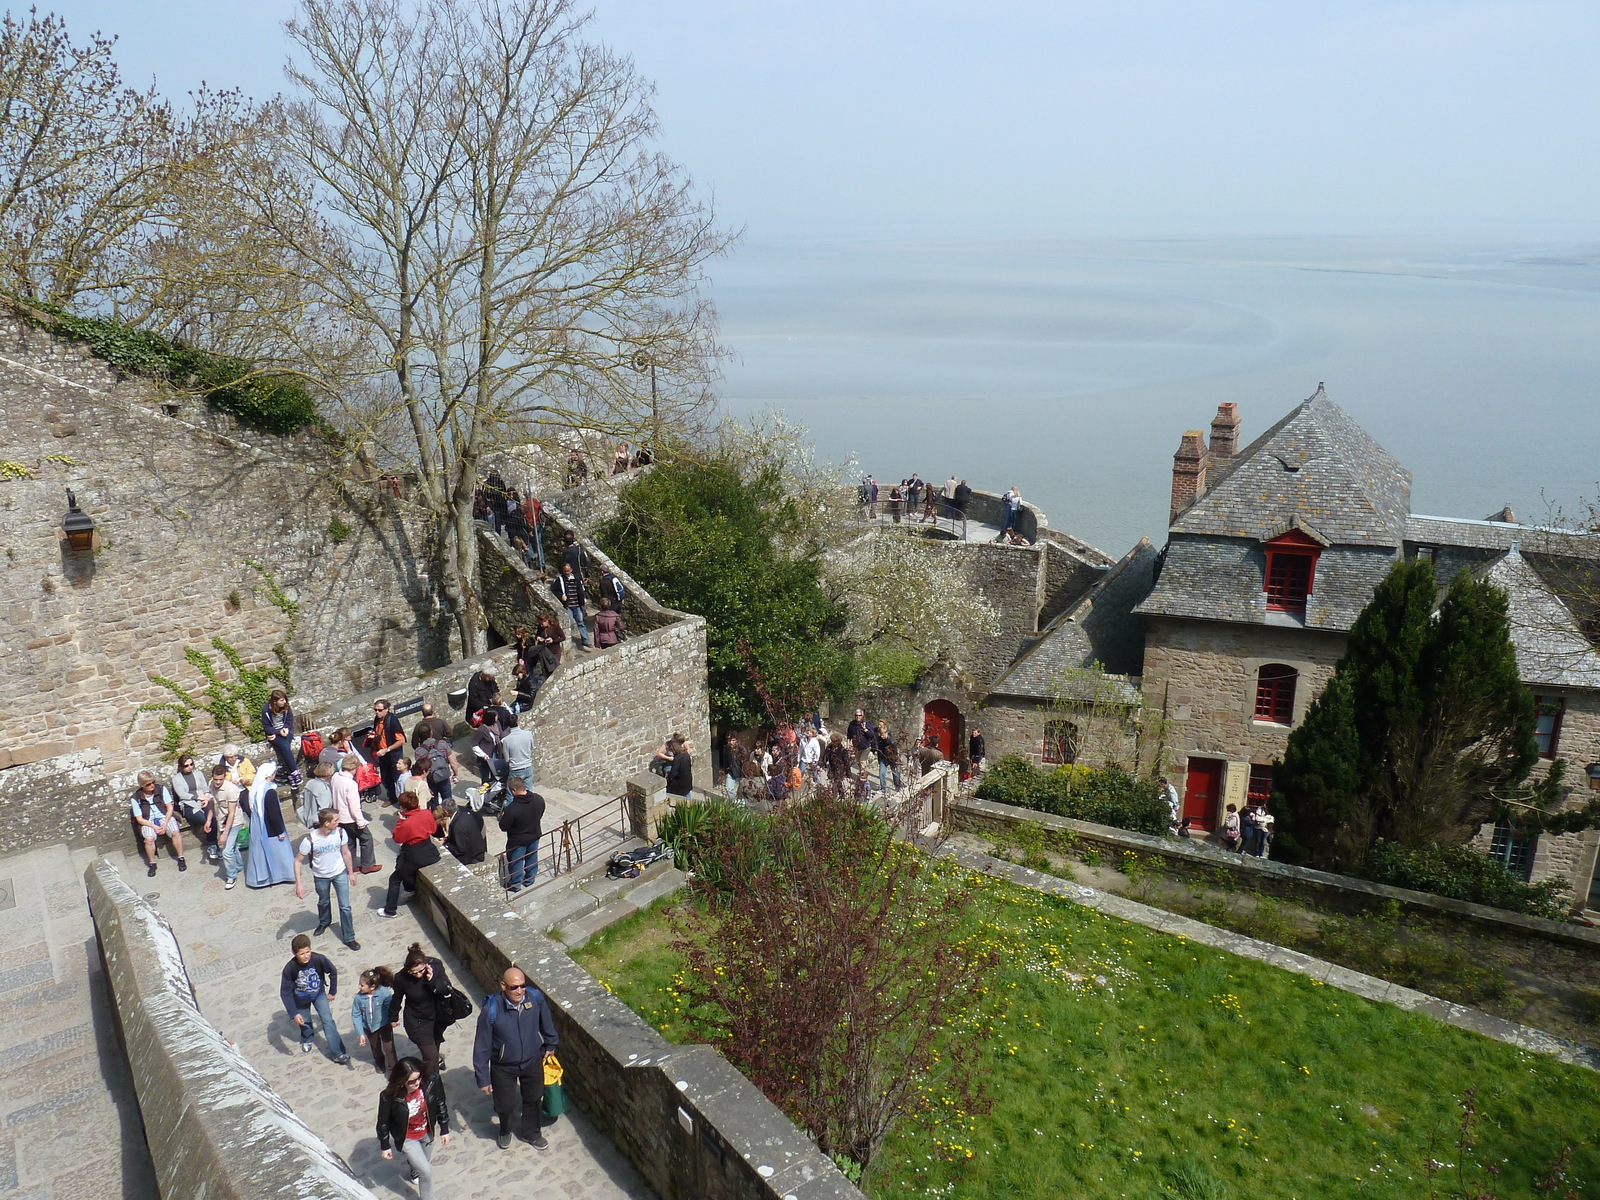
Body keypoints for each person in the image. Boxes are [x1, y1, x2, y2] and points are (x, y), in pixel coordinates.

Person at [473, 965, 558, 1151]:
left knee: (533, 1098)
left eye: (522, 986)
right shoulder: (491, 1011)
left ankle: (532, 1133)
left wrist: (550, 1043)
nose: (519, 991)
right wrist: (483, 1077)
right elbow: (482, 1046)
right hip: (503, 1067)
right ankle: (505, 1130)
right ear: (503, 986)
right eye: (514, 987)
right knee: (505, 1104)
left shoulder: (535, 998)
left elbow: (546, 1021)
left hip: (532, 1060)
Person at [376, 1055, 451, 1199]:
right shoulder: (389, 1096)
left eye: (418, 1078)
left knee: (423, 1162)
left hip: (427, 1133)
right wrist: (385, 1145)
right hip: (407, 1138)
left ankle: (414, 1170)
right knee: (426, 1173)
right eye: (411, 1081)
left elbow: (440, 1103)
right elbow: (383, 1122)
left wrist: (444, 1128)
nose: (416, 1083)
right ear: (402, 1080)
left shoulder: (430, 1083)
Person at [294, 808, 360, 951]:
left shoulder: (341, 833)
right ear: (326, 823)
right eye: (335, 820)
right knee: (323, 901)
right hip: (321, 876)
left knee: (345, 907)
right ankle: (324, 921)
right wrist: (299, 884)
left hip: (339, 872)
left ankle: (349, 937)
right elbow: (298, 861)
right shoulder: (310, 840)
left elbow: (346, 852)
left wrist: (351, 872)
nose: (339, 822)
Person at [278, 933, 350, 1064]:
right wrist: (293, 1013)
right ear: (294, 953)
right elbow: (285, 992)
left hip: (319, 995)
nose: (306, 956)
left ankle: (338, 1053)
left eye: (308, 952)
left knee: (328, 1021)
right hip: (300, 999)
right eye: (302, 954)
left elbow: (332, 972)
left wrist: (332, 991)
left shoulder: (319, 959)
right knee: (305, 1022)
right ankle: (307, 1038)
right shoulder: (290, 968)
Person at [392, 943, 455, 1079]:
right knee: (431, 1059)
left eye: (421, 971)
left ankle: (434, 1066)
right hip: (417, 1021)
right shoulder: (401, 978)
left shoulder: (436, 966)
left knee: (435, 1045)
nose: (418, 975)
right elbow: (396, 998)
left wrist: (432, 981)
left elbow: (446, 988)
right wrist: (393, 1017)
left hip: (437, 1017)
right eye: (414, 972)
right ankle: (433, 1087)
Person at [378, 793, 441, 918]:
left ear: (404, 808)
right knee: (406, 871)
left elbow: (397, 838)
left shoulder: (407, 823)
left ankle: (390, 910)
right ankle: (410, 890)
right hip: (429, 850)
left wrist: (401, 821)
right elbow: (433, 830)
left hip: (414, 854)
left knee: (395, 879)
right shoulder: (427, 813)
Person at [244, 762, 296, 888]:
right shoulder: (269, 792)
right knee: (279, 853)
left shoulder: (257, 790)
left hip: (261, 827)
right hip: (271, 828)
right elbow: (274, 814)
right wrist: (279, 831)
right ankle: (282, 875)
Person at [130, 771, 186, 877]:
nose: (152, 785)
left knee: (175, 832)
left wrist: (165, 824)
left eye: (153, 782)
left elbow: (169, 808)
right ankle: (152, 863)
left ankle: (181, 857)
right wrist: (154, 827)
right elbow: (139, 819)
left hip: (164, 816)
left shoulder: (161, 789)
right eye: (148, 784)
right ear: (142, 785)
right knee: (149, 838)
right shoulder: (136, 797)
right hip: (148, 820)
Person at [169, 753, 220, 863]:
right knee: (206, 820)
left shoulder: (198, 773)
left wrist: (206, 798)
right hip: (189, 804)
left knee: (212, 818)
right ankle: (213, 845)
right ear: (181, 767)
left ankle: (213, 845)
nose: (190, 767)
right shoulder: (177, 778)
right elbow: (182, 794)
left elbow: (205, 788)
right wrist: (198, 798)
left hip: (203, 800)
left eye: (191, 764)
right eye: (186, 765)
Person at [333, 755, 380, 872]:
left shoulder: (335, 777)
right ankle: (368, 865)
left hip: (340, 816)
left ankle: (352, 865)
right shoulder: (351, 784)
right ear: (354, 767)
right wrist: (360, 821)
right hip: (350, 818)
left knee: (350, 841)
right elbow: (354, 806)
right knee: (366, 838)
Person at [498, 778, 545, 893]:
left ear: (513, 790)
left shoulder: (512, 809)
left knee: (516, 862)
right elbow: (541, 813)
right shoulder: (538, 799)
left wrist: (502, 817)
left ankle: (515, 884)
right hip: (534, 835)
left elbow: (504, 826)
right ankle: (530, 879)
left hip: (518, 840)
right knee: (532, 857)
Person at [351, 967, 398, 1075]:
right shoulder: (358, 998)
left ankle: (394, 1069)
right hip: (369, 1027)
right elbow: (356, 1014)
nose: (359, 987)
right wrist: (360, 1033)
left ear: (372, 987)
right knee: (375, 1047)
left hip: (384, 1025)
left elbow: (390, 1007)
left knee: (389, 1048)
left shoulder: (384, 993)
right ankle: (379, 1062)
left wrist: (393, 1020)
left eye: (362, 985)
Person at [365, 699, 407, 804]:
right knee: (385, 777)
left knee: (398, 778)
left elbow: (401, 740)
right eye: (375, 710)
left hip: (393, 754)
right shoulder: (377, 719)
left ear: (386, 709)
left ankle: (404, 800)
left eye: (380, 710)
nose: (377, 712)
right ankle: (392, 798)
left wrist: (387, 749)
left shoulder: (392, 721)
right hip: (382, 753)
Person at [212, 764, 246, 889]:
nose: (218, 782)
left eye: (221, 779)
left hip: (234, 821)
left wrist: (225, 834)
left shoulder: (231, 789)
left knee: (226, 851)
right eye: (216, 779)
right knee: (231, 847)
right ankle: (238, 865)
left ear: (225, 777)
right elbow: (213, 802)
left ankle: (231, 876)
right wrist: (209, 820)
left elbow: (231, 814)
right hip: (222, 820)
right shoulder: (212, 784)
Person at [262, 688, 302, 788]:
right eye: (281, 700)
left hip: (286, 732)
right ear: (275, 702)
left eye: (284, 699)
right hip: (275, 734)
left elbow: (289, 721)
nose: (284, 702)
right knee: (284, 745)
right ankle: (294, 772)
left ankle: (291, 775)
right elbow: (266, 727)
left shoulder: (287, 707)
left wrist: (286, 729)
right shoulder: (266, 710)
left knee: (284, 745)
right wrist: (277, 732)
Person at [552, 563, 588, 650]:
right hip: (568, 606)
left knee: (580, 622)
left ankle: (586, 641)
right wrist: (561, 596)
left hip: (577, 605)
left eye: (567, 571)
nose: (566, 572)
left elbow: (580, 592)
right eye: (564, 571)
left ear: (571, 570)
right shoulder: (560, 580)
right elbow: (553, 590)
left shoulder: (576, 579)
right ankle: (570, 642)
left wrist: (582, 603)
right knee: (570, 624)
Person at [499, 712, 535, 789]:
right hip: (528, 766)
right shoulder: (528, 734)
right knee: (528, 791)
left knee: (511, 793)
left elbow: (507, 759)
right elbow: (531, 747)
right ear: (518, 723)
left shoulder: (506, 740)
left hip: (516, 769)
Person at [444, 798, 486, 864]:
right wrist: (446, 840)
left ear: (446, 812)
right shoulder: (464, 814)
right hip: (478, 850)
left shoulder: (457, 825)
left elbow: (461, 849)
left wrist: (446, 846)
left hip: (471, 857)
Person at [298, 760, 335, 828]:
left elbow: (302, 798)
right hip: (320, 821)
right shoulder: (323, 788)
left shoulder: (310, 782)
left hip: (310, 817)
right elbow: (325, 809)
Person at [876, 722, 903, 793]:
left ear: (886, 733)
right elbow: (879, 750)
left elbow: (895, 753)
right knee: (882, 772)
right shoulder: (879, 740)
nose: (882, 736)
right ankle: (883, 788)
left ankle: (898, 786)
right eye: (881, 735)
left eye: (883, 734)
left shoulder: (892, 742)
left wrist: (894, 763)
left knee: (895, 772)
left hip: (892, 758)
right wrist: (879, 760)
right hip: (883, 757)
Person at [719, 733, 743, 803]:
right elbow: (725, 761)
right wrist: (726, 771)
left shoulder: (741, 749)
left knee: (740, 792)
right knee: (729, 789)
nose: (731, 742)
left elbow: (745, 762)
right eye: (729, 740)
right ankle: (734, 803)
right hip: (731, 772)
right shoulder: (726, 749)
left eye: (733, 740)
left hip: (740, 772)